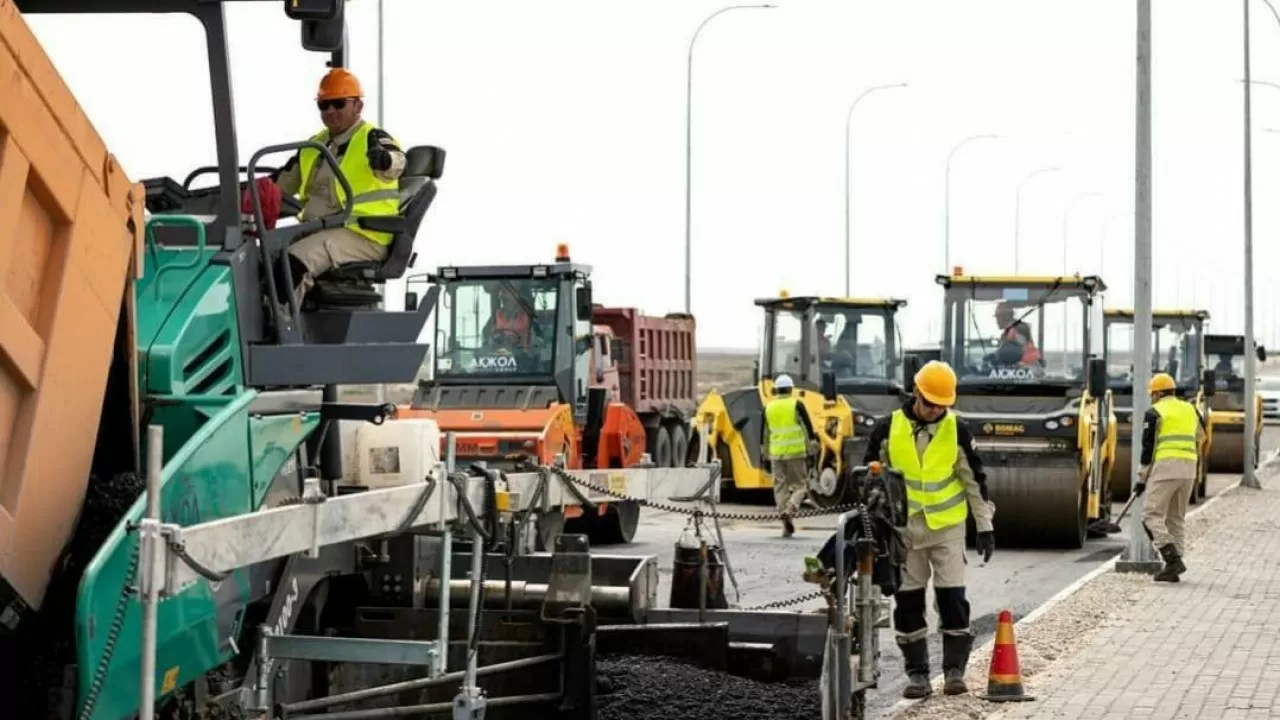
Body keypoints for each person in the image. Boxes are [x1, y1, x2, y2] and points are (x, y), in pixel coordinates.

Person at [850, 360, 994, 698]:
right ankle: (917, 674)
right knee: (909, 601)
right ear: (916, 393)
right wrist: (870, 525)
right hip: (905, 531)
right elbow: (869, 480)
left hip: (946, 528)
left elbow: (974, 480)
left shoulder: (957, 430)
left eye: (941, 406)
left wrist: (984, 525)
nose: (934, 411)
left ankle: (954, 671)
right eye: (930, 403)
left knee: (953, 599)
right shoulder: (888, 428)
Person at [271, 68, 407, 309]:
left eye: (338, 104)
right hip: (319, 229)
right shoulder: (315, 144)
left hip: (363, 234)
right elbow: (280, 183)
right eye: (324, 105)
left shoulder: (371, 137)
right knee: (263, 257)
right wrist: (239, 195)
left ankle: (281, 333)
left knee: (292, 263)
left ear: (358, 106)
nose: (331, 111)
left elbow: (397, 162)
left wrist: (384, 161)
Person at [1133, 372, 1205, 583]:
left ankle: (1171, 558)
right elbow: (1201, 436)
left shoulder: (1155, 412)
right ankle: (1174, 566)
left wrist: (1141, 478)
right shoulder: (1191, 409)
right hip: (1189, 468)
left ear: (1156, 394)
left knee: (1150, 515)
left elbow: (1148, 449)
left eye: (1152, 394)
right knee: (1176, 517)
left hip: (1165, 468)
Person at [763, 374, 815, 537]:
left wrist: (765, 456)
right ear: (791, 389)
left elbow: (764, 435)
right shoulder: (796, 405)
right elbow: (808, 430)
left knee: (780, 488)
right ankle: (791, 508)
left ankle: (786, 523)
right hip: (796, 453)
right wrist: (811, 451)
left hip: (776, 454)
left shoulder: (768, 407)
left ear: (776, 390)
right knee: (800, 486)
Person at [992, 302, 1041, 366]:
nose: (997, 321)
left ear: (1006, 316)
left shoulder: (1018, 329)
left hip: (1028, 368)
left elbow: (1015, 351)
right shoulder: (1006, 333)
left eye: (998, 317)